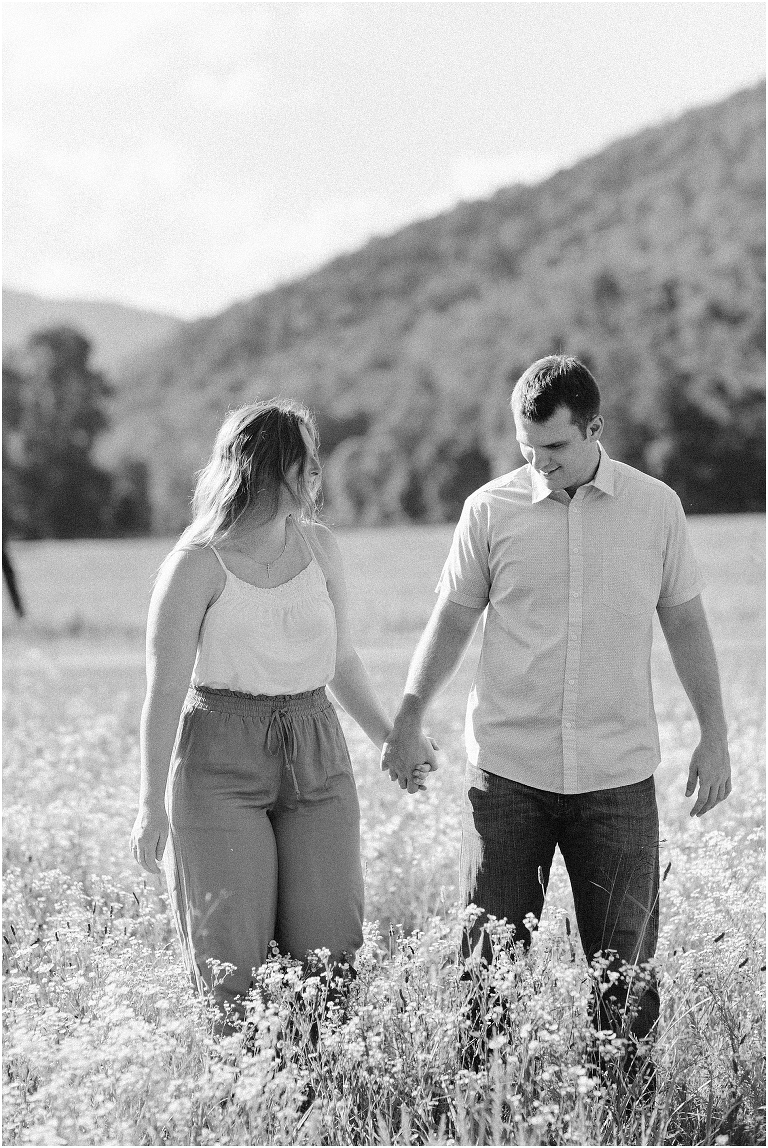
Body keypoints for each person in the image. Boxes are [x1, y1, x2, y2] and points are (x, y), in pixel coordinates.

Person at [381, 355, 731, 1062]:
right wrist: (409, 714)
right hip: (507, 778)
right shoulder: (489, 511)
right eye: (527, 448)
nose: (539, 462)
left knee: (625, 982)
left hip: (617, 776)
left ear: (596, 428)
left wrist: (714, 734)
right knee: (487, 977)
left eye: (556, 448)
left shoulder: (655, 508)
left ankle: (626, 1120)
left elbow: (686, 624)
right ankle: (487, 1116)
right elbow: (451, 621)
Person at [130, 398, 436, 1033]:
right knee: (231, 967)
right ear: (274, 469)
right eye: (308, 459)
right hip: (219, 763)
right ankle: (248, 1104)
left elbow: (340, 659)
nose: (318, 471)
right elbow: (163, 692)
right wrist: (149, 804)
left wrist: (390, 739)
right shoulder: (194, 564)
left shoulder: (322, 548)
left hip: (316, 749)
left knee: (329, 961)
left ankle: (319, 1099)